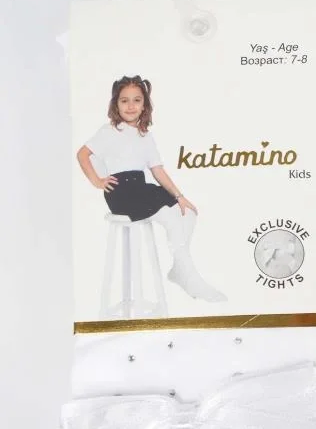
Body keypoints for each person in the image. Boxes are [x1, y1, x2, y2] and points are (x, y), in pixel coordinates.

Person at [76, 75, 225, 303]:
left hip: (141, 188)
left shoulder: (145, 136)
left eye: (136, 100)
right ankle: (191, 278)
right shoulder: (109, 131)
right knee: (168, 214)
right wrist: (97, 181)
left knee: (187, 213)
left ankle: (180, 269)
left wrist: (180, 196)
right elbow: (82, 154)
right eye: (124, 100)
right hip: (121, 192)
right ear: (116, 104)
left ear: (144, 105)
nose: (130, 106)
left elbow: (158, 171)